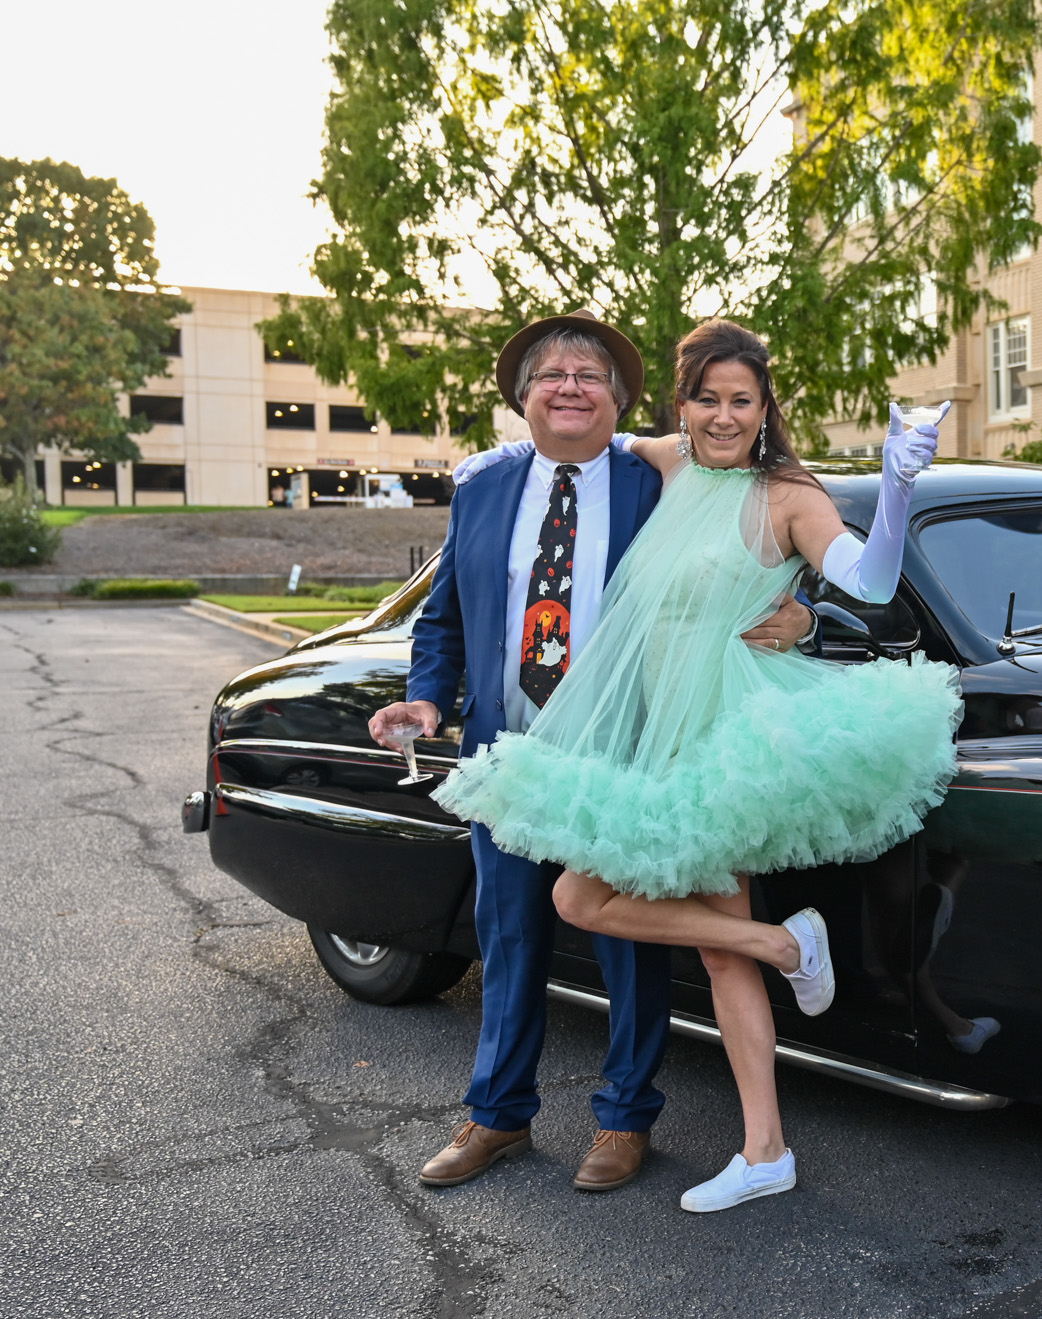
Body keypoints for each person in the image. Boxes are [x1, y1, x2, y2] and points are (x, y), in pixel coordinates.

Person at [432, 318, 961, 1214]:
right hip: (644, 732)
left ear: (765, 409)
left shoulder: (788, 492)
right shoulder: (669, 464)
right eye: (707, 399)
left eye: (741, 401)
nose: (723, 416)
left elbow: (867, 585)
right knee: (633, 917)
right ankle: (784, 956)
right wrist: (487, 462)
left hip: (726, 736)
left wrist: (900, 486)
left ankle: (764, 1144)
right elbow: (575, 430)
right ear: (683, 406)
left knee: (673, 936)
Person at [366, 310, 817, 1195]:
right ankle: (496, 1115)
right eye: (552, 375)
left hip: (626, 744)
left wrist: (806, 617)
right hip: (512, 748)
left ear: (620, 401)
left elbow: (772, 541)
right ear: (524, 397)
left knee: (626, 942)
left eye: (590, 375)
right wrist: (425, 695)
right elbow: (445, 617)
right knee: (510, 932)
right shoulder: (483, 488)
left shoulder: (663, 479)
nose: (570, 386)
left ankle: (624, 1118)